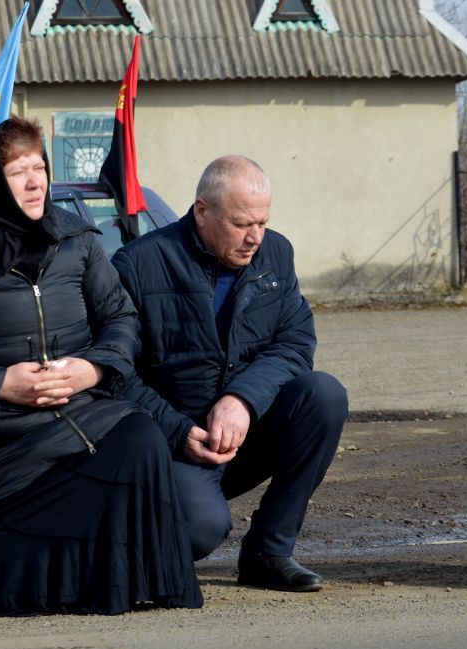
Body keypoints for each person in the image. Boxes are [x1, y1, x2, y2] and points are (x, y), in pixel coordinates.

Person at [0, 116, 202, 615]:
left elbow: (121, 319)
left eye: (40, 167)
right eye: (19, 171)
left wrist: (94, 370)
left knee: (140, 438)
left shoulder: (76, 238)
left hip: (79, 416)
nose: (37, 180)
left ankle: (129, 583)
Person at [112, 155, 348, 593]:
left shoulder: (276, 253)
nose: (255, 237)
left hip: (244, 433)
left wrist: (242, 400)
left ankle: (269, 552)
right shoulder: (138, 266)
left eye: (262, 222)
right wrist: (178, 431)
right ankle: (127, 539)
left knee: (323, 395)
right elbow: (116, 374)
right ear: (202, 210)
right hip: (176, 448)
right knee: (199, 533)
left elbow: (294, 342)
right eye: (242, 224)